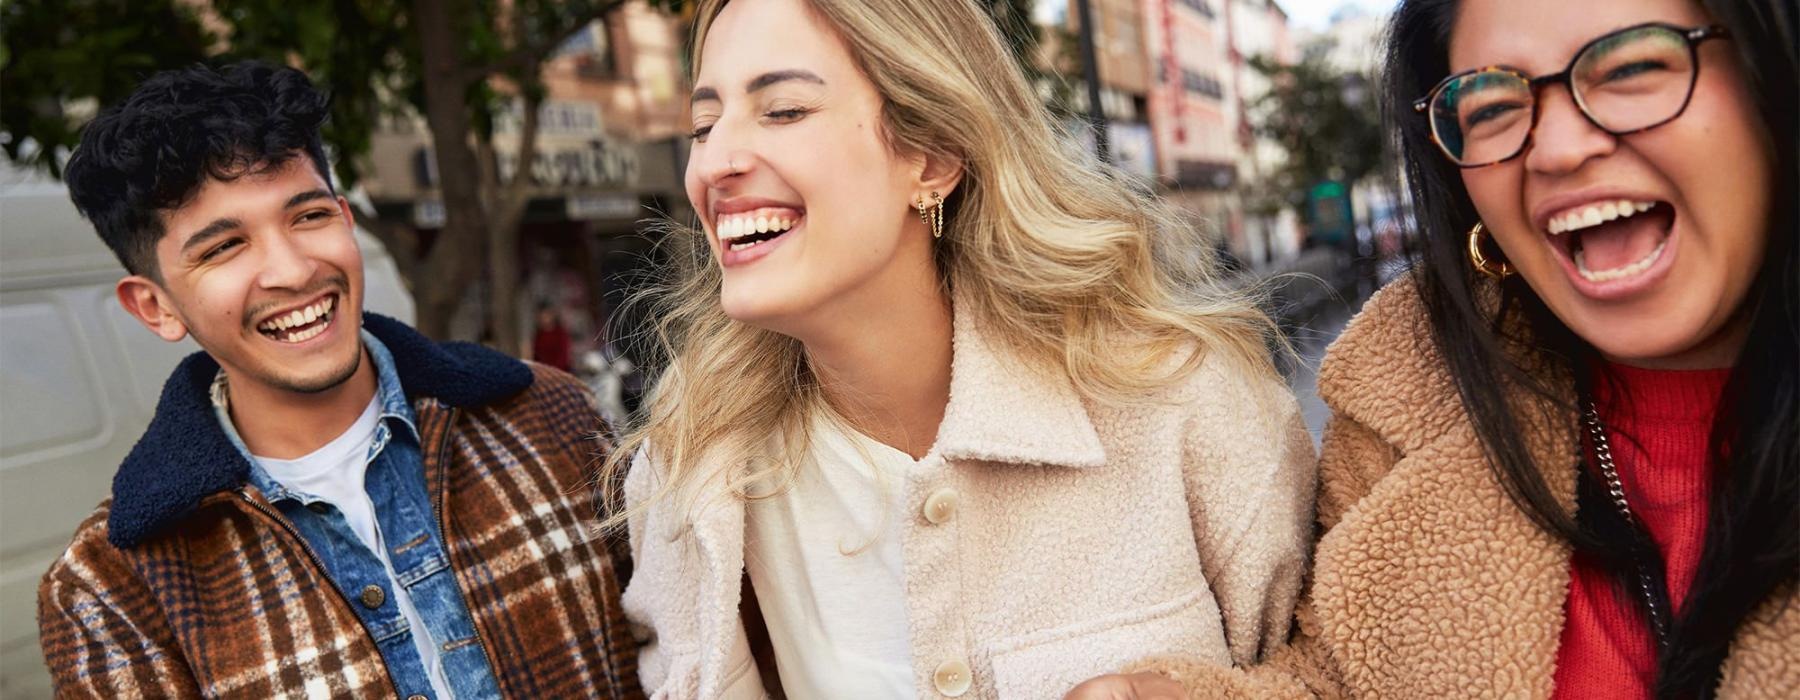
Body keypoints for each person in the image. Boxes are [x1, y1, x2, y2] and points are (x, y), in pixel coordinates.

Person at [1072, 0, 1799, 697]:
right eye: (1491, 107)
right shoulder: (1403, 390)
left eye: (1631, 68)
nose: (1557, 148)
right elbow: (1339, 677)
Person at [603, 0, 1316, 696]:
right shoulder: (688, 471)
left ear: (933, 156)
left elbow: (1324, 675)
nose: (714, 162)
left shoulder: (1184, 398)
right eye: (703, 124)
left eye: (783, 110)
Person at [37, 62, 640, 699]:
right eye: (223, 248)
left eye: (308, 216)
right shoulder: (110, 589)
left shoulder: (551, 417)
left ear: (346, 220)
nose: (293, 271)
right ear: (155, 306)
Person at [533, 302, 575, 372]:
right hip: (542, 373)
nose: (544, 319)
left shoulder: (561, 333)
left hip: (560, 373)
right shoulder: (539, 335)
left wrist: (553, 371)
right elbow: (537, 356)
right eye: (541, 316)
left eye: (546, 315)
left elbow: (564, 357)